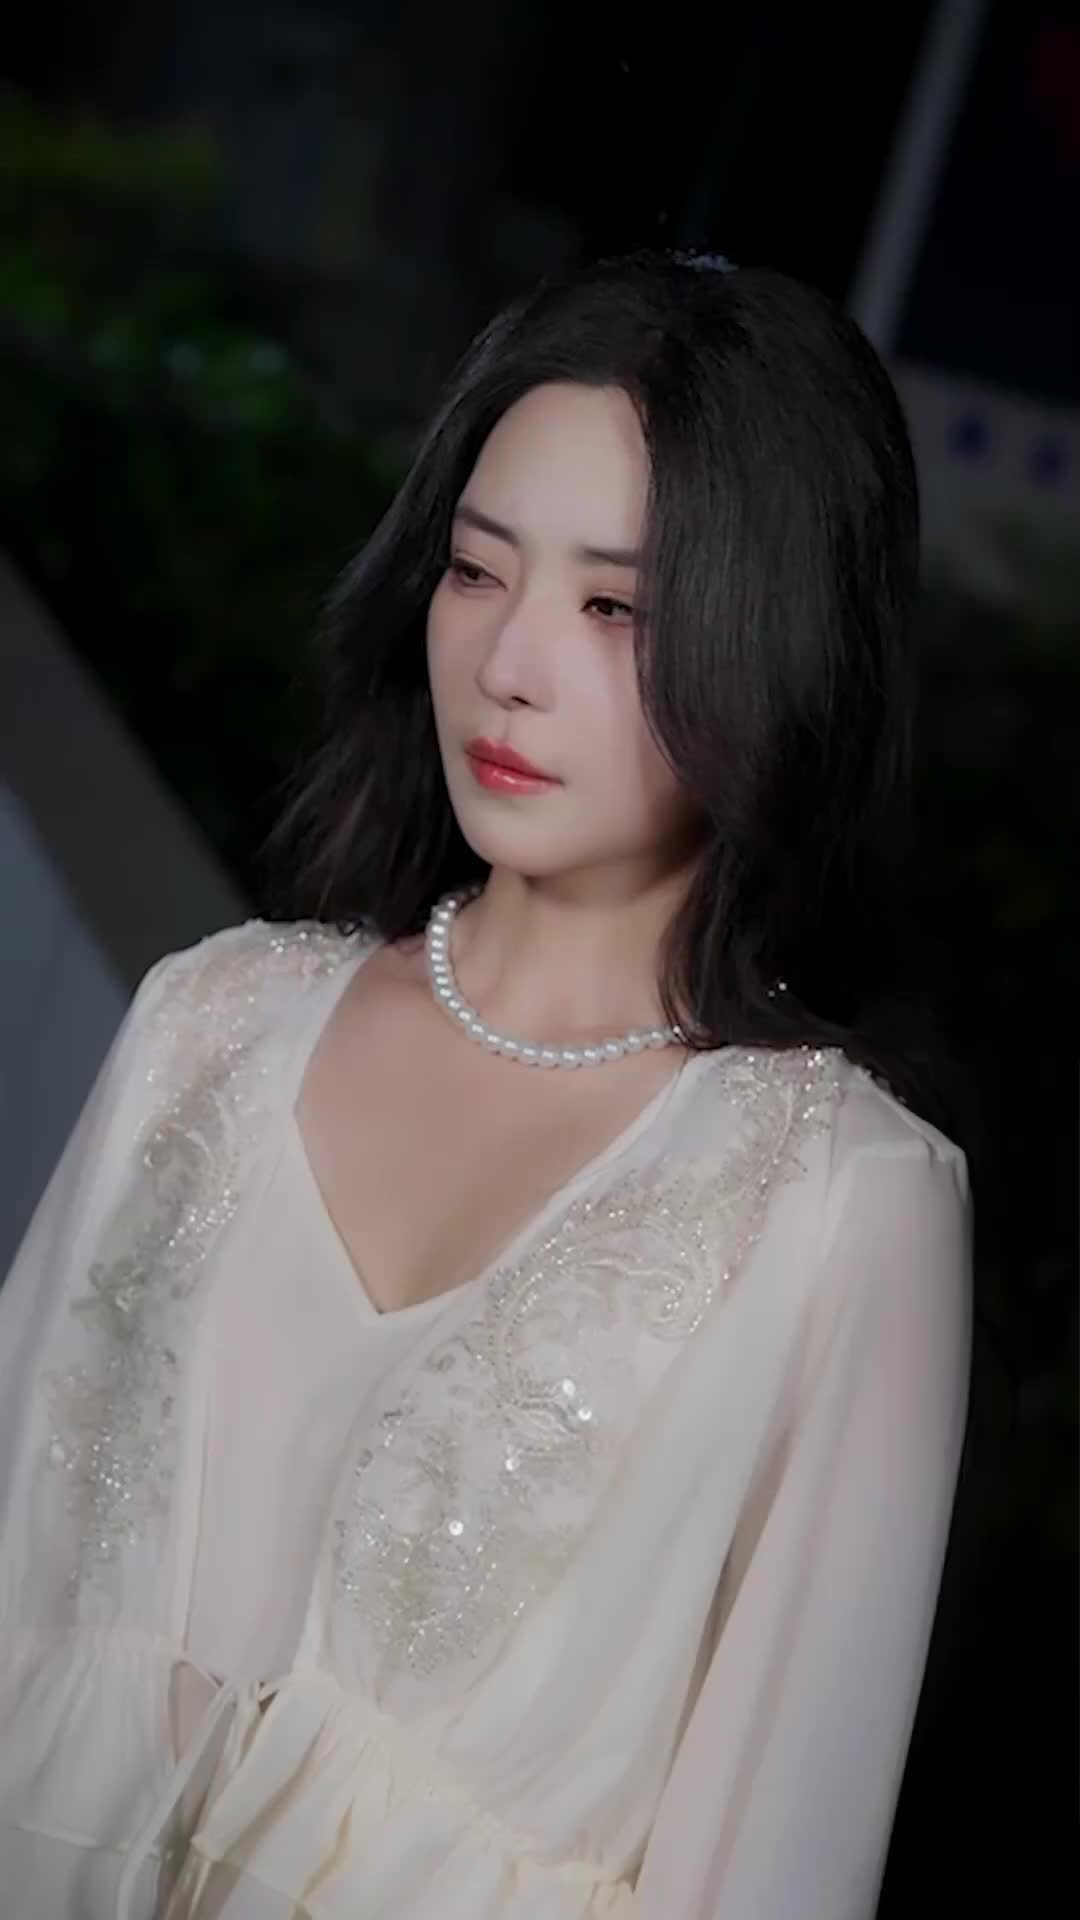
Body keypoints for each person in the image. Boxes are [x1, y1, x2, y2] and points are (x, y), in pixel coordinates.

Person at [0, 248, 973, 1920]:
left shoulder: (841, 1204)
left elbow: (774, 1868)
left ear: (777, 642)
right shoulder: (208, 1026)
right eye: (474, 569)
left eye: (614, 607)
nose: (509, 663)